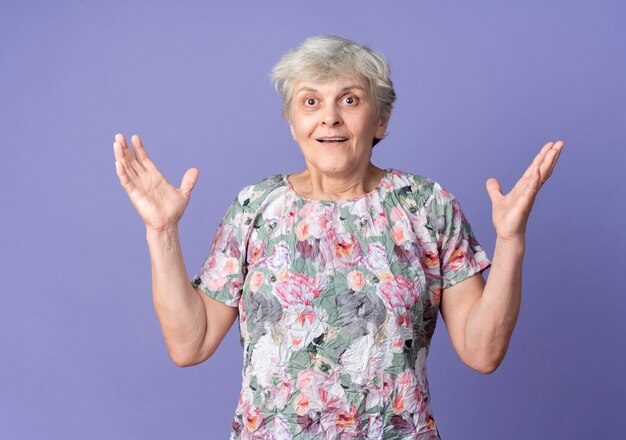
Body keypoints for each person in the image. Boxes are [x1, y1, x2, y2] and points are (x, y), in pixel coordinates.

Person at [113, 35, 563, 439]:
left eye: (349, 100)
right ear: (292, 123)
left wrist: (510, 240)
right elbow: (190, 343)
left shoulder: (426, 205)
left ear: (381, 120)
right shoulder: (255, 207)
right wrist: (162, 231)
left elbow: (482, 352)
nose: (329, 117)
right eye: (310, 102)